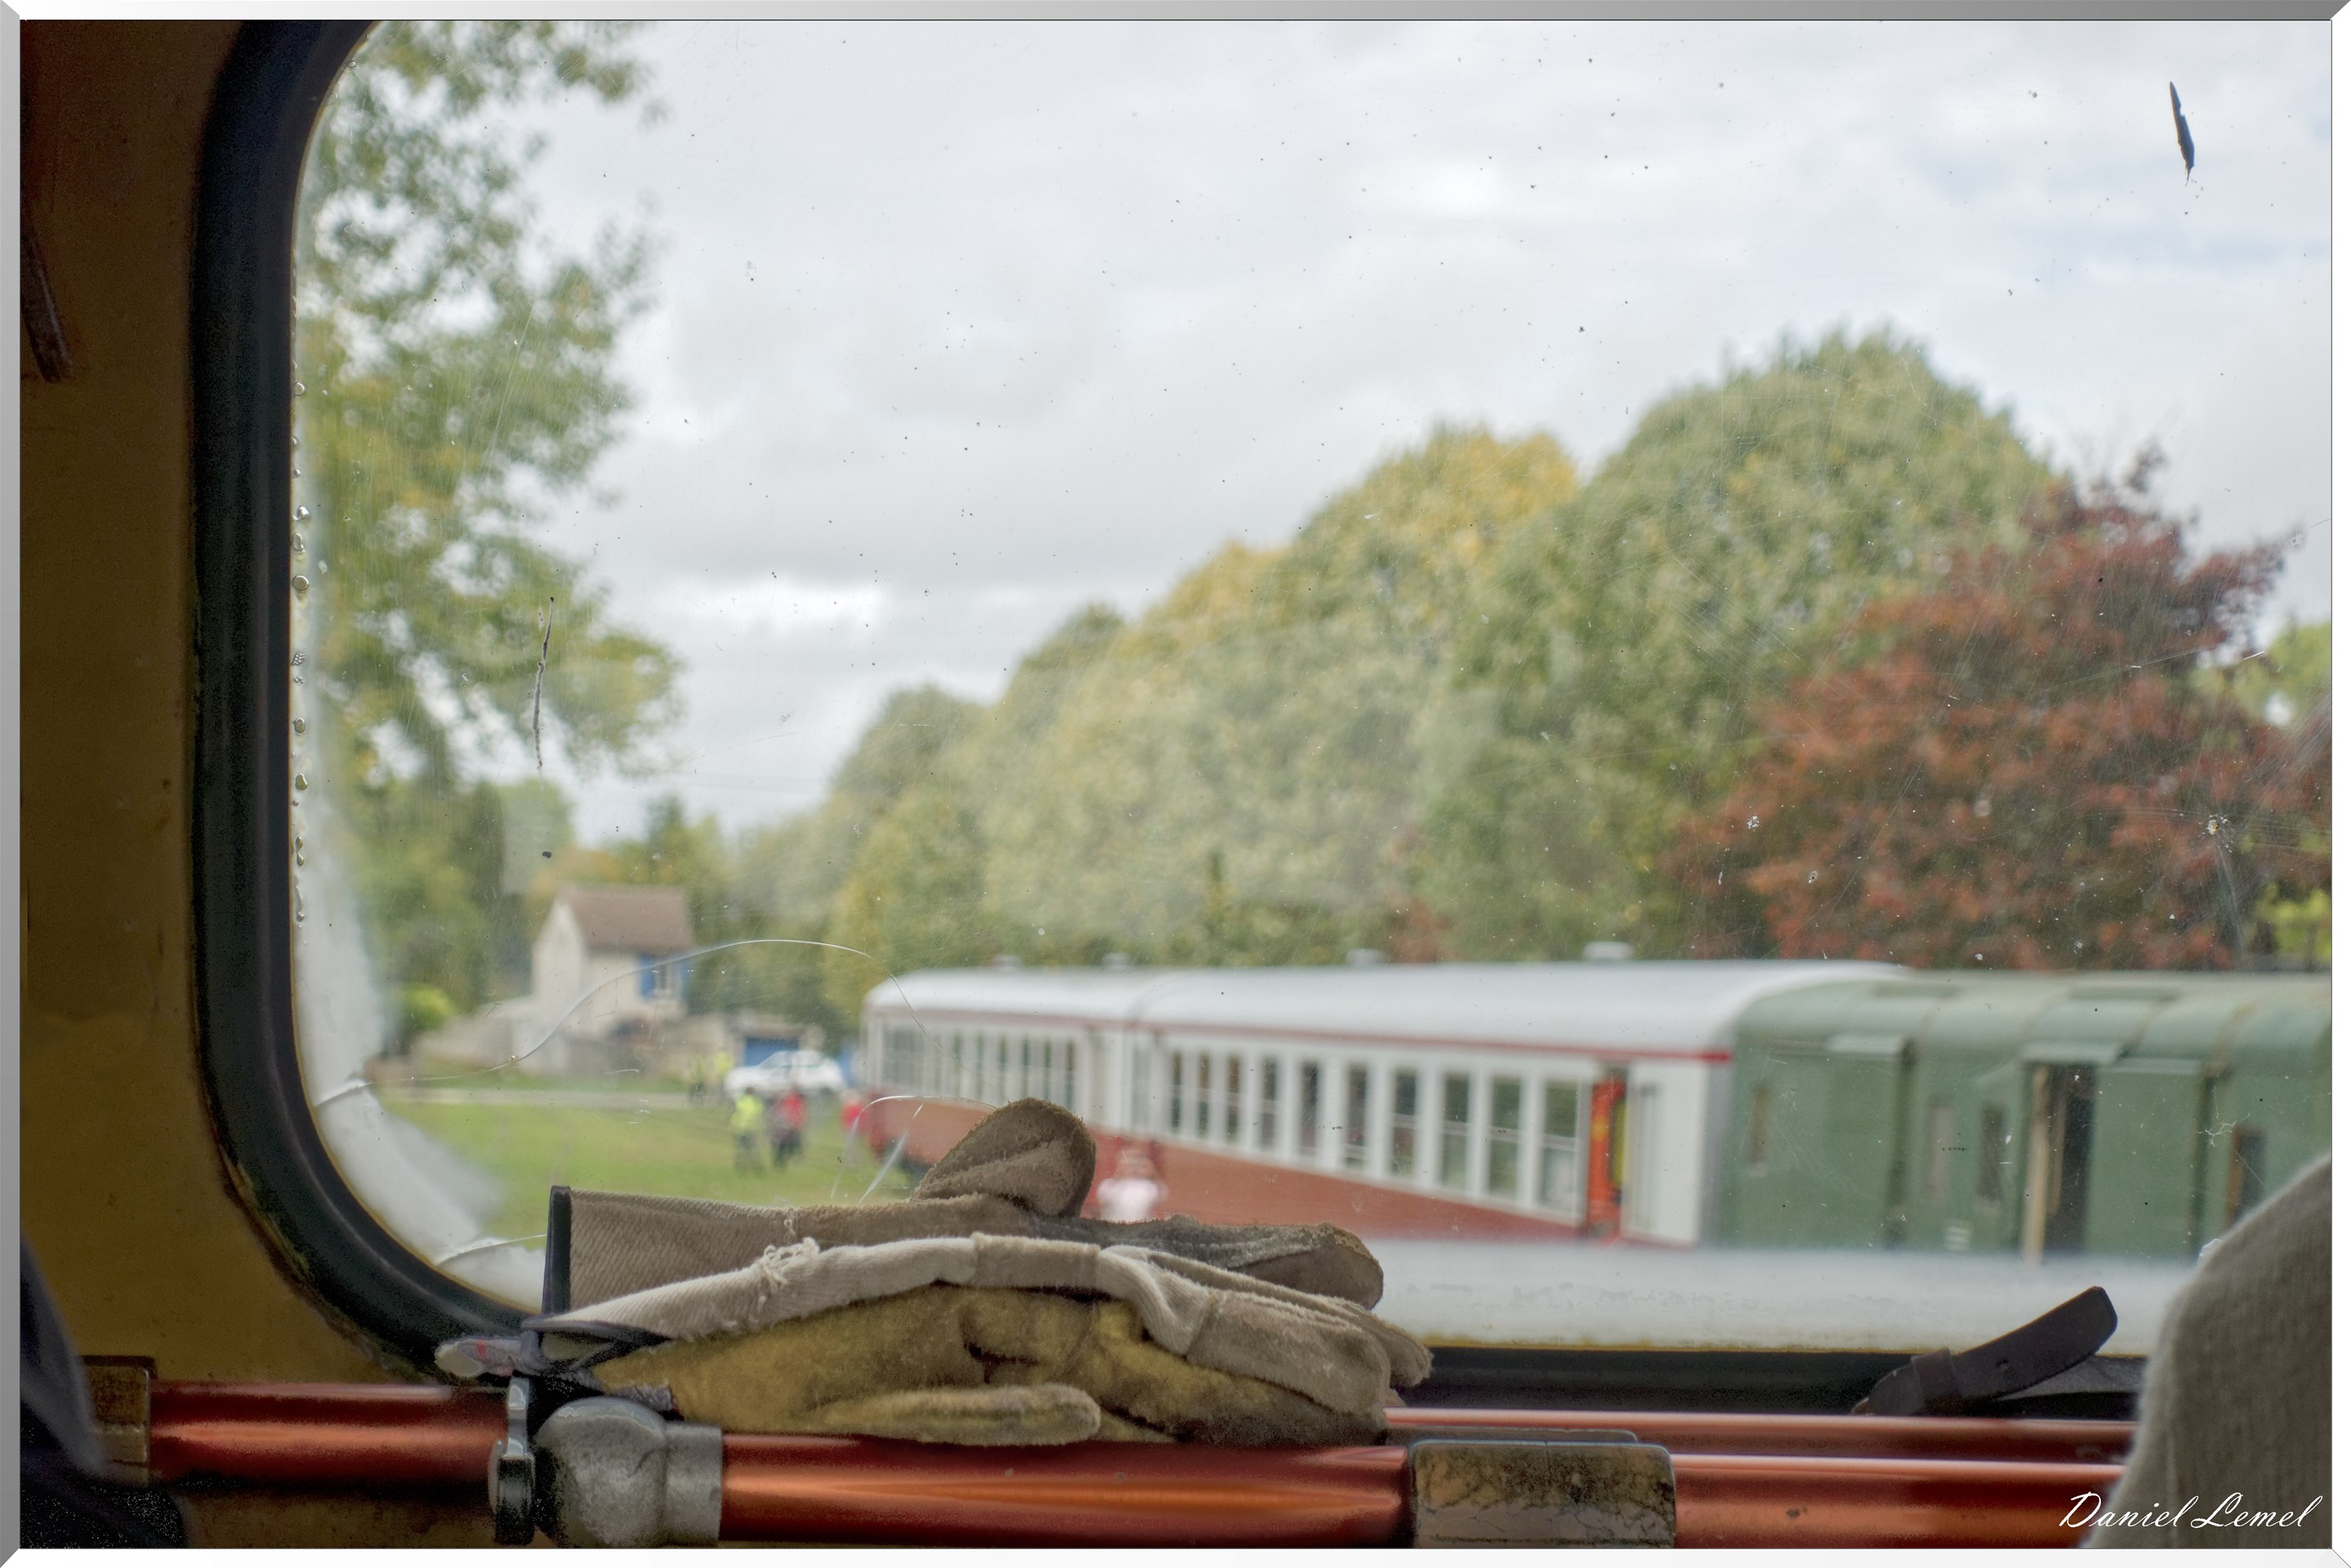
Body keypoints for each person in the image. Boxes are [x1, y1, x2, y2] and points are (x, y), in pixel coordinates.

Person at [1093, 1145, 1167, 1223]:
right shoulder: (1109, 1184)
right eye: (1127, 1159)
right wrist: (1119, 1176)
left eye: (1135, 1160)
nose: (1132, 1165)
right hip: (1114, 1229)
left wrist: (1151, 1171)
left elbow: (1161, 1196)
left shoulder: (1149, 1186)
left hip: (1138, 1231)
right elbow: (1102, 1202)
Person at [770, 1085, 807, 1168]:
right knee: (782, 1146)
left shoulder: (790, 1103)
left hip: (787, 1128)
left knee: (787, 1145)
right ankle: (779, 1162)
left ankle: (783, 1161)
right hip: (782, 1130)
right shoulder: (780, 1105)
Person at [729, 1089, 765, 1172]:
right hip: (752, 1129)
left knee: (741, 1150)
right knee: (753, 1150)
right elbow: (760, 1115)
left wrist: (733, 1127)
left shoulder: (740, 1101)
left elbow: (734, 1115)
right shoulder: (756, 1102)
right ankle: (757, 1166)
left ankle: (741, 1166)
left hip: (740, 1128)